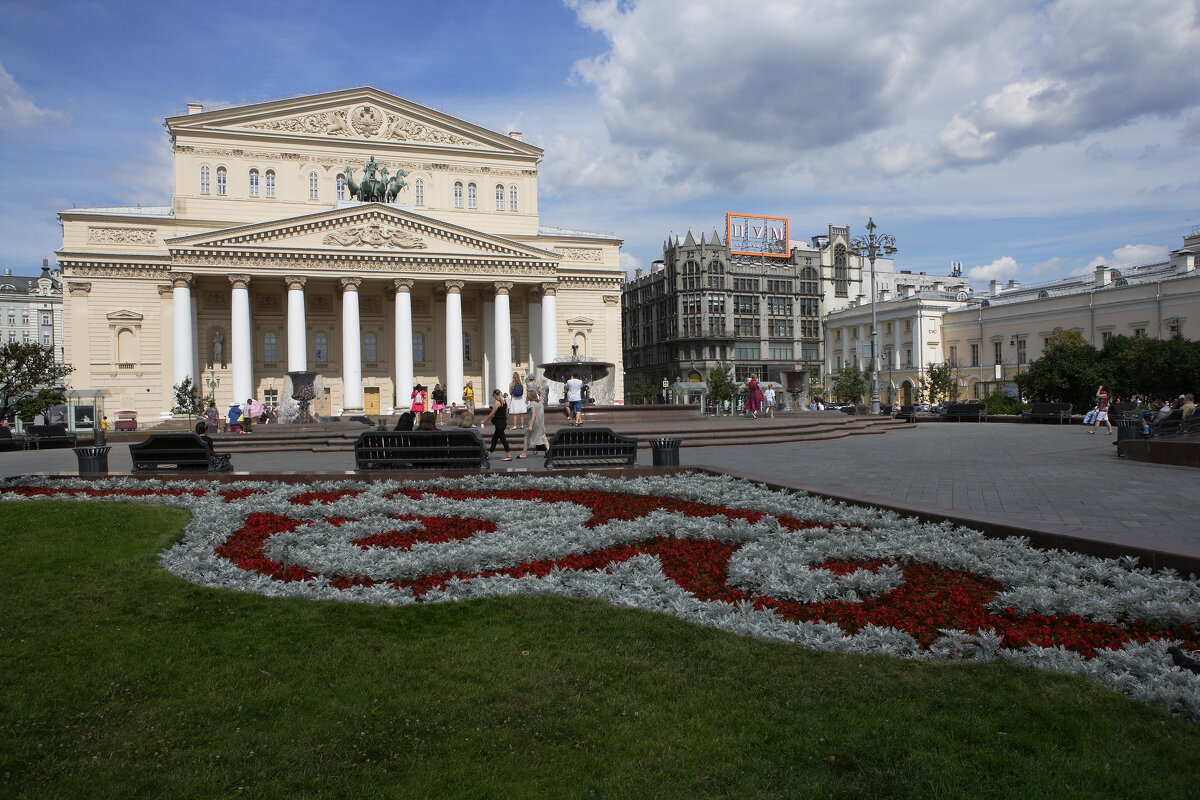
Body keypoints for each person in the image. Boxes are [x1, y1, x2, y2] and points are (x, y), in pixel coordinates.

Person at [480, 388, 512, 460]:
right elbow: (506, 413)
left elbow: (492, 414)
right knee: (495, 439)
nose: (494, 397)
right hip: (503, 423)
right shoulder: (504, 402)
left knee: (502, 440)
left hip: (499, 424)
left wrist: (484, 421)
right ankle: (489, 454)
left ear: (495, 395)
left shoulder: (497, 402)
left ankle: (509, 456)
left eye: (494, 396)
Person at [517, 388, 549, 458]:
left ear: (530, 396)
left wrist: (531, 425)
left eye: (527, 395)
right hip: (540, 423)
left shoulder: (532, 404)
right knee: (543, 437)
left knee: (527, 437)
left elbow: (533, 415)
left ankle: (523, 453)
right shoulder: (540, 402)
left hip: (534, 424)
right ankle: (550, 451)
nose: (526, 397)